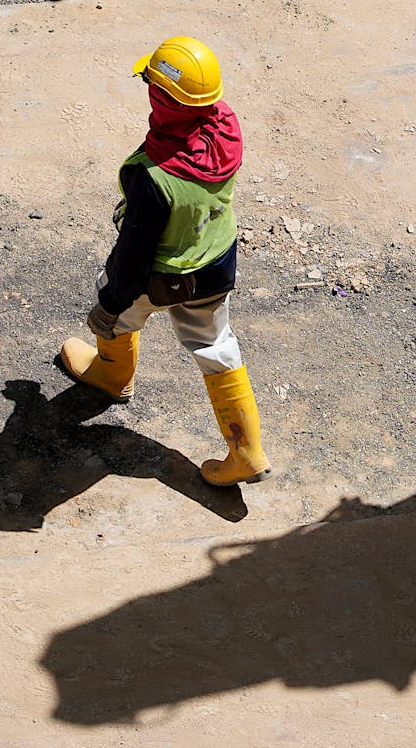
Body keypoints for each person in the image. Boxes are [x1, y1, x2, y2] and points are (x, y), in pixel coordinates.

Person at [58, 36, 270, 487]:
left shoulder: (154, 177)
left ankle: (113, 375)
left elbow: (133, 256)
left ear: (162, 97)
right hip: (216, 260)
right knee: (215, 345)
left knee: (116, 314)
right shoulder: (224, 127)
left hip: (163, 276)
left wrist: (110, 303)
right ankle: (246, 452)